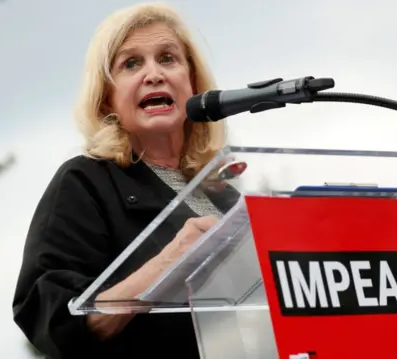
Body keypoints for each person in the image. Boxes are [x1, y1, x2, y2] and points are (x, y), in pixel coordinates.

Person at [12, 3, 239, 358]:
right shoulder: (84, 181)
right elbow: (54, 320)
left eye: (168, 58)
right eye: (132, 63)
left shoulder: (225, 196)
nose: (154, 74)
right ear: (106, 97)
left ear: (193, 82)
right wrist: (171, 261)